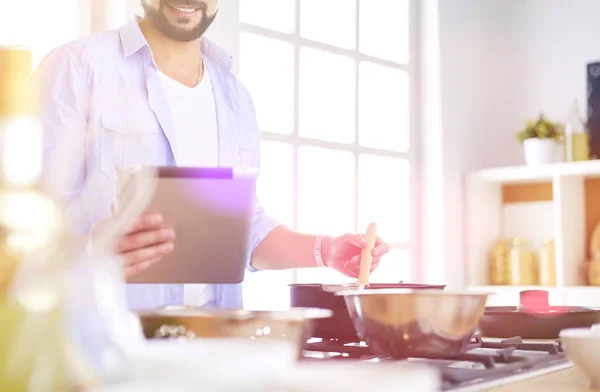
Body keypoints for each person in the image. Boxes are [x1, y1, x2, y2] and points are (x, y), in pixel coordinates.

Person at [33, 0, 391, 310]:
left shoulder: (236, 96)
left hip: (214, 345)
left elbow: (242, 231)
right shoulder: (75, 69)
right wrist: (96, 249)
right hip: (104, 352)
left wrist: (325, 250)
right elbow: (21, 232)